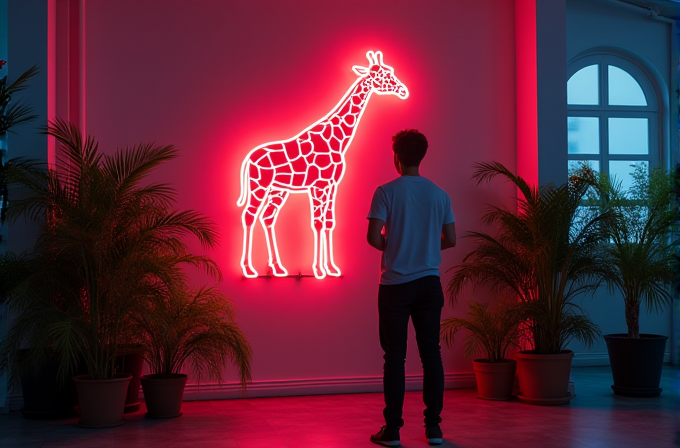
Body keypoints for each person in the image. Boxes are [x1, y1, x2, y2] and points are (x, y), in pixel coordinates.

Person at [366, 129, 456, 447]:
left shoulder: (386, 191)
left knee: (395, 358)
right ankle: (434, 429)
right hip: (429, 283)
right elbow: (451, 239)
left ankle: (392, 430)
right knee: (432, 355)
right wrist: (425, 246)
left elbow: (373, 237)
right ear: (422, 156)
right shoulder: (439, 194)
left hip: (395, 285)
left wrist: (395, 245)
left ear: (396, 157)